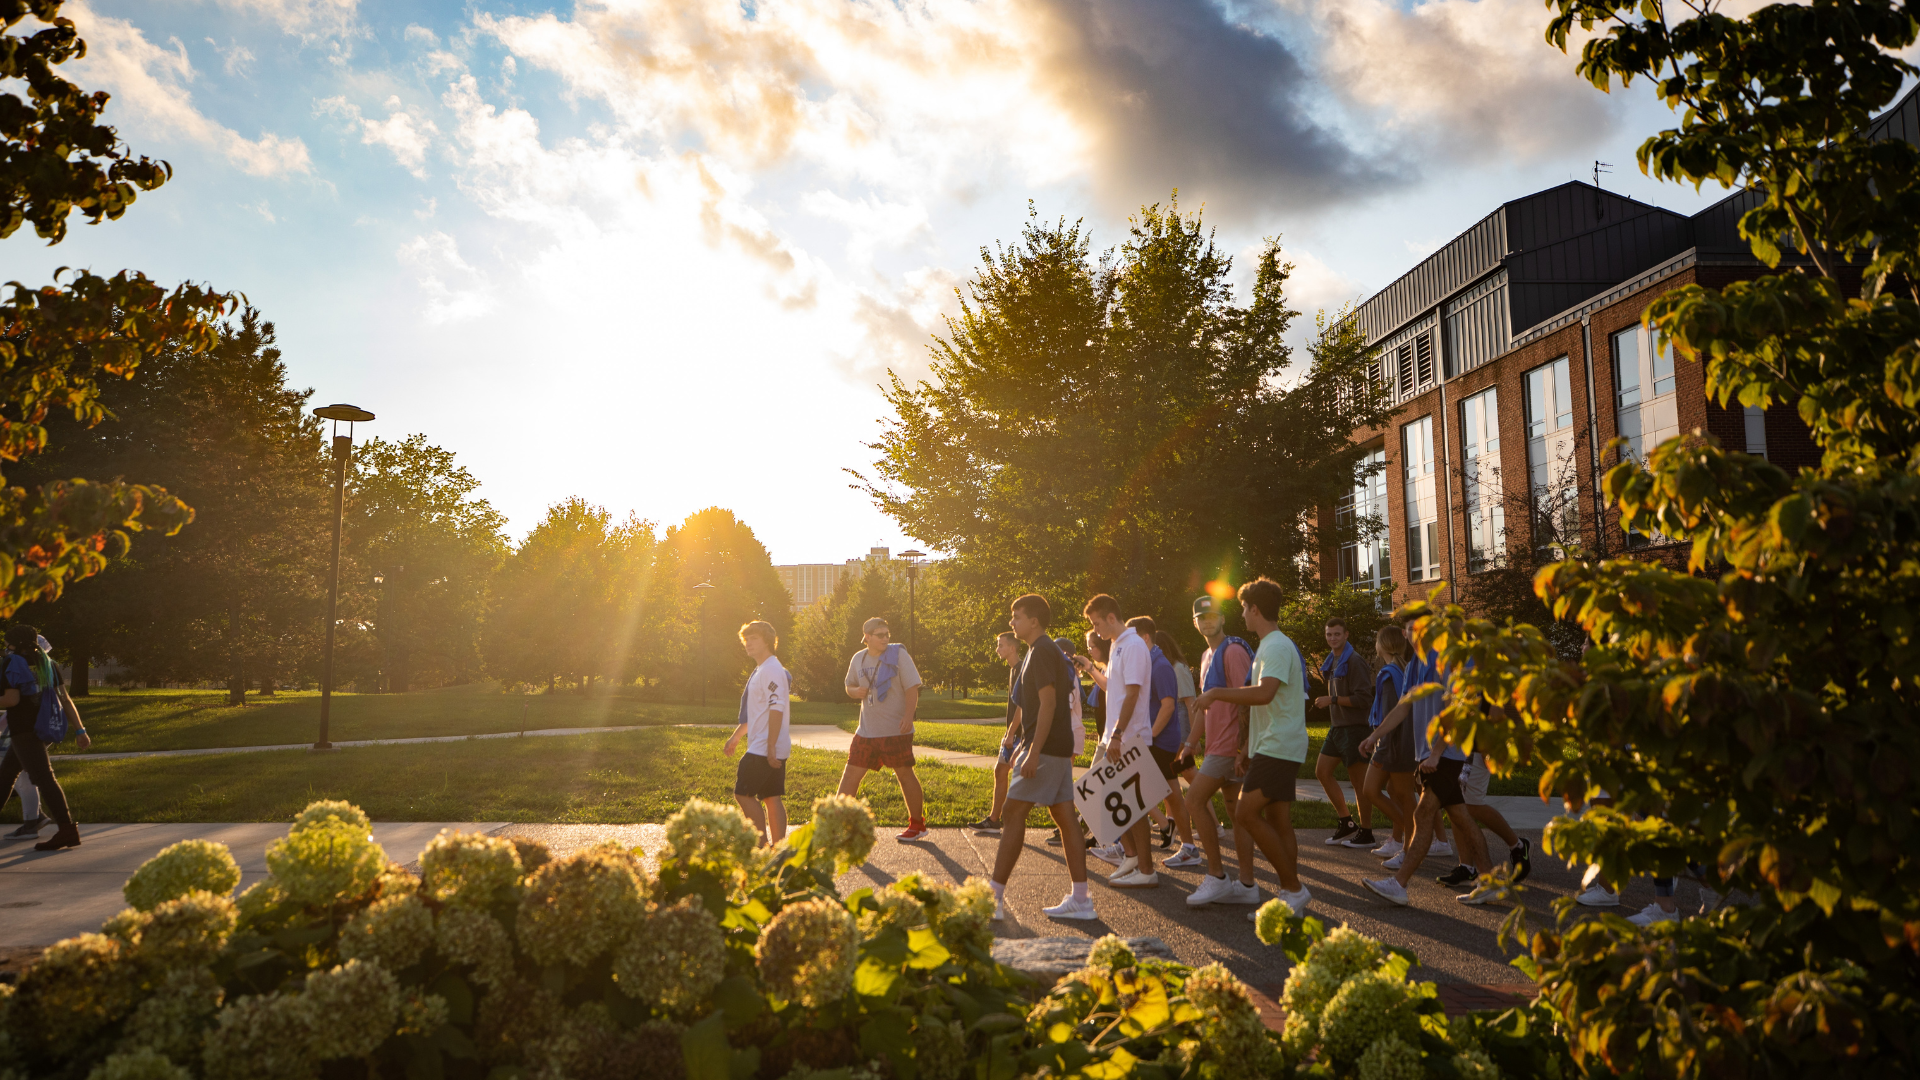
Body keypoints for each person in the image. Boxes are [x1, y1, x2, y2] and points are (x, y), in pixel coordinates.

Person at [1187, 578, 1314, 919]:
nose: (1242, 614)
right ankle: (1292, 895)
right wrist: (1246, 748)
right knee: (1279, 821)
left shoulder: (1273, 646)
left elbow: (1263, 693)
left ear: (1255, 609)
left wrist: (1216, 694)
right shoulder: (1272, 645)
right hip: (1273, 744)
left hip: (1278, 745)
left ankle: (1294, 890)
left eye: (1244, 608)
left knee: (1244, 813)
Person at [1361, 642, 1494, 907]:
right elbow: (1403, 705)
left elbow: (1461, 707)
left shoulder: (1454, 657)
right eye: (1409, 628)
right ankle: (1492, 882)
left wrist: (1437, 752)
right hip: (1430, 755)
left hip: (1448, 753)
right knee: (1461, 816)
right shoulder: (1413, 664)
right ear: (1403, 633)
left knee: (1423, 814)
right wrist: (1375, 734)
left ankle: (1399, 884)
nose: (1414, 633)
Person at [989, 594, 1096, 921]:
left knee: (1012, 811)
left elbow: (1050, 705)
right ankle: (1081, 899)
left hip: (1047, 748)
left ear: (1033, 620)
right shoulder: (1040, 651)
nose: (1012, 622)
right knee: (1064, 816)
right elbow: (1036, 707)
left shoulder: (1043, 652)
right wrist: (1025, 741)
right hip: (1051, 746)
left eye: (1016, 616)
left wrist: (1033, 751)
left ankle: (992, 897)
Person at [1182, 595, 1259, 906]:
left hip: (1231, 747)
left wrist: (1244, 746)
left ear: (1223, 619)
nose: (1208, 621)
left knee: (1194, 800)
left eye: (1213, 615)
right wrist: (1189, 743)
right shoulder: (1205, 656)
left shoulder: (1234, 651)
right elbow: (1205, 706)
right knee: (1236, 813)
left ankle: (1216, 877)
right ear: (1195, 622)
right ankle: (1248, 884)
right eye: (1202, 617)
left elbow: (1247, 698)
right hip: (1217, 745)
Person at [1082, 593, 1159, 887]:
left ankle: (1146, 868)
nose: (1096, 630)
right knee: (1102, 797)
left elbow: (1133, 694)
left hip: (1128, 736)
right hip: (1114, 736)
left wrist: (1116, 735)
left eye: (1097, 623)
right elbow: (1112, 689)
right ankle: (1132, 856)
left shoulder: (1135, 646)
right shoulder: (1116, 645)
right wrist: (1090, 669)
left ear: (1112, 617)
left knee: (1133, 804)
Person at [839, 617, 928, 842]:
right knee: (850, 775)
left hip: (895, 730)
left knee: (905, 775)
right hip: (866, 731)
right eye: (880, 635)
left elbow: (912, 687)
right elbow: (848, 685)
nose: (886, 639)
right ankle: (837, 823)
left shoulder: (898, 655)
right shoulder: (858, 658)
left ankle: (917, 825)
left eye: (887, 634)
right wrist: (854, 692)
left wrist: (908, 717)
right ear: (867, 637)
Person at [0, 624, 81, 851]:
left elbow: (11, 700)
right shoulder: (47, 663)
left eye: (7, 643)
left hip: (23, 731)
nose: (6, 647)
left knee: (44, 780)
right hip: (42, 728)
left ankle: (67, 830)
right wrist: (80, 730)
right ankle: (67, 831)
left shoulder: (12, 662)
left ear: (14, 644)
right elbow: (65, 699)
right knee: (5, 777)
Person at [1345, 625, 1413, 853]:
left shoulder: (1387, 674)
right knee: (1398, 794)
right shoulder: (1401, 670)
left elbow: (1390, 712)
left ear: (1382, 645)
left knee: (1371, 790)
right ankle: (1397, 840)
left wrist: (1376, 738)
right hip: (1398, 741)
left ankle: (1413, 834)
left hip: (1390, 742)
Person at [723, 621, 791, 846]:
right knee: (772, 798)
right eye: (746, 639)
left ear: (768, 641)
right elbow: (758, 713)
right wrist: (737, 735)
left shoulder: (771, 670)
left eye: (754, 639)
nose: (748, 643)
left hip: (764, 747)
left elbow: (776, 707)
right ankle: (779, 850)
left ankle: (760, 846)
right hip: (767, 745)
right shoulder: (763, 669)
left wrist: (770, 746)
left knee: (743, 794)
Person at [1313, 617, 1374, 845]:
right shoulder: (1334, 660)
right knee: (1321, 771)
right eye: (1329, 634)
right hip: (1337, 729)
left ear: (1346, 635)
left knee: (1359, 785)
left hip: (1356, 730)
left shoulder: (1355, 661)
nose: (1332, 638)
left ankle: (1366, 832)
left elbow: (1364, 699)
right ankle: (1347, 823)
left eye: (1337, 634)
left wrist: (1333, 700)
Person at [1138, 618, 1194, 857]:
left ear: (1145, 637)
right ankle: (1183, 842)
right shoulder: (1151, 663)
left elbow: (1168, 706)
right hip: (1158, 740)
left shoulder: (1160, 666)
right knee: (1168, 793)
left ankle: (1187, 845)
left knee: (1168, 793)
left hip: (1161, 741)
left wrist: (1150, 735)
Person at [1156, 630, 1205, 868]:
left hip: (1181, 724)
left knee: (1183, 771)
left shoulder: (1177, 668)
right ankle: (1172, 819)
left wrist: (1191, 740)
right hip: (1175, 724)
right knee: (1175, 773)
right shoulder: (1165, 667)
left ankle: (1211, 823)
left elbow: (1190, 703)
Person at [971, 631, 1024, 836]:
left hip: (1020, 735)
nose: (997, 649)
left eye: (1001, 645)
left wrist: (1011, 734)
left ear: (1012, 648)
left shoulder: (1021, 669)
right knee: (1000, 772)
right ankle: (994, 820)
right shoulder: (1013, 670)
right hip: (1012, 734)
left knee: (1025, 783)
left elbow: (1022, 706)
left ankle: (1009, 821)